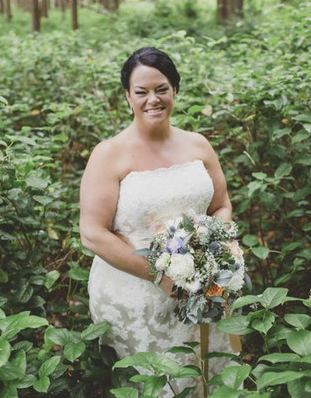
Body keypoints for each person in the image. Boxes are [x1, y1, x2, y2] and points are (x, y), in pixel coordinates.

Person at [79, 47, 238, 396]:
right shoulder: (109, 154)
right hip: (136, 294)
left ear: (175, 90)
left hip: (204, 289)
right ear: (127, 96)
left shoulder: (198, 145)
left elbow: (221, 206)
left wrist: (217, 248)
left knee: (208, 376)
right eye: (141, 92)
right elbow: (92, 234)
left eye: (162, 89)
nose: (153, 99)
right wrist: (160, 275)